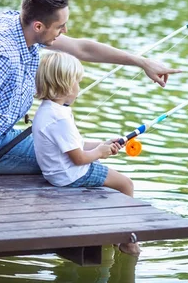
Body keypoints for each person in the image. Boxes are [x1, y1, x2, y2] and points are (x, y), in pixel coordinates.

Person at [0, 0, 179, 179]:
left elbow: (82, 49)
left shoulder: (15, 23)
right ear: (39, 25)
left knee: (68, 145)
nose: (65, 31)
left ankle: (96, 145)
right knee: (84, 168)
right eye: (60, 26)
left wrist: (142, 62)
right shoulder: (3, 57)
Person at [32, 51, 140, 256]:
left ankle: (117, 228)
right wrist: (100, 152)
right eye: (77, 83)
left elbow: (76, 145)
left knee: (115, 182)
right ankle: (128, 241)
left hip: (57, 173)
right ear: (65, 85)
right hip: (70, 175)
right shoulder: (60, 118)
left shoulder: (49, 110)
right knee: (126, 184)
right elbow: (79, 158)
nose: (78, 88)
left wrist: (102, 144)